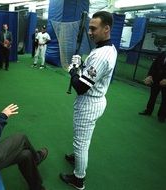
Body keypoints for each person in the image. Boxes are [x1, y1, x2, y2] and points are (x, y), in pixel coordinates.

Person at [59, 11, 117, 190]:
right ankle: (77, 157)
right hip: (96, 99)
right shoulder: (106, 48)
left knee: (81, 142)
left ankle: (78, 179)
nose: (90, 32)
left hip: (89, 103)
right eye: (90, 28)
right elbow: (91, 74)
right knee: (83, 139)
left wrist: (73, 70)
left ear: (106, 29)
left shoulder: (101, 54)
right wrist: (81, 65)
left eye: (94, 28)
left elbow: (81, 86)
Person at [139, 51, 166, 123]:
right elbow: (154, 65)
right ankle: (148, 111)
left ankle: (162, 116)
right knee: (152, 96)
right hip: (156, 79)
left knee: (165, 99)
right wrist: (150, 75)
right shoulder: (162, 54)